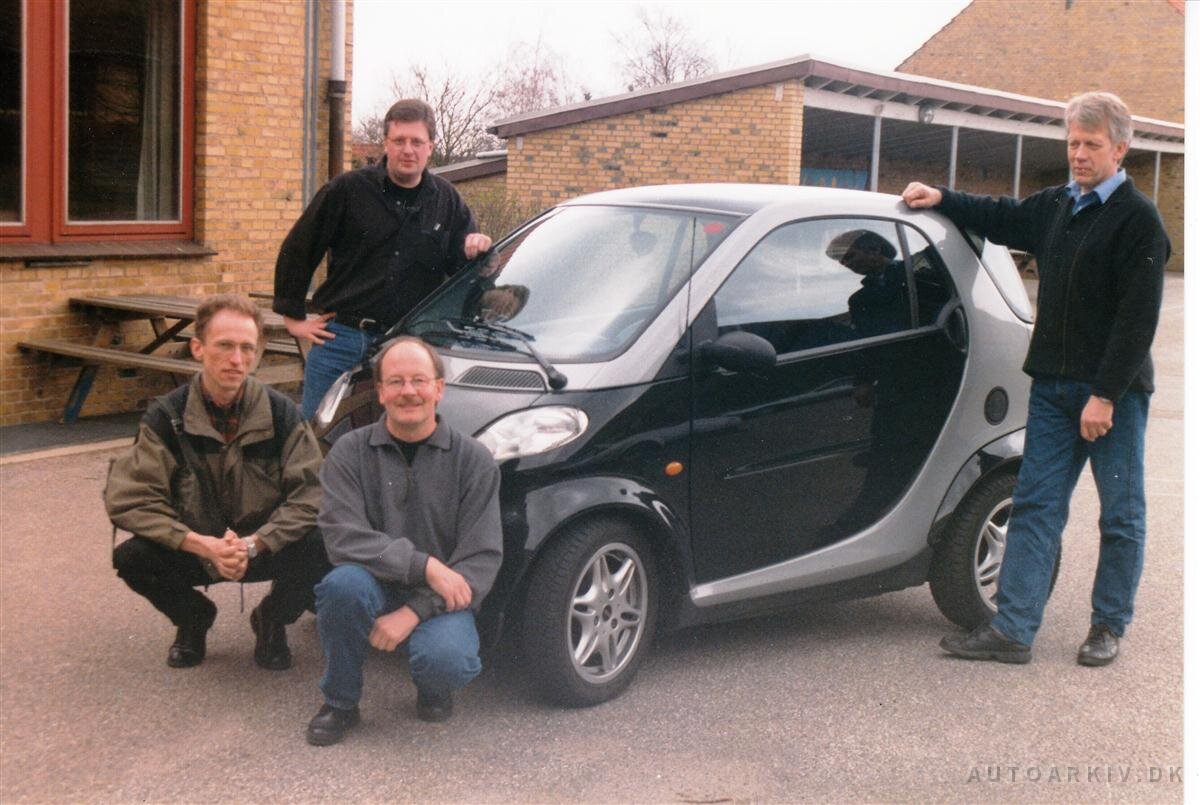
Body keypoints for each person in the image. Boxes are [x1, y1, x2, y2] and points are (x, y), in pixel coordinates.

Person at [902, 91, 1169, 666]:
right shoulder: (1057, 205)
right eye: (1073, 142)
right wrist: (942, 197)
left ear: (1120, 149)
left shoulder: (1139, 221)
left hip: (1113, 397)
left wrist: (1104, 396)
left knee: (1120, 515)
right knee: (1035, 506)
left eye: (1091, 144)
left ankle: (1108, 625)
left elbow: (1137, 322)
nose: (1079, 154)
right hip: (1051, 388)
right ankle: (1014, 629)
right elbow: (1001, 215)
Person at [106, 294, 328, 671]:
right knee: (132, 558)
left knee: (328, 544)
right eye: (224, 345)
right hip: (195, 549)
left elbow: (311, 496)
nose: (237, 359)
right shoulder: (166, 418)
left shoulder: (282, 415)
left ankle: (272, 618)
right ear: (198, 348)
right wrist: (202, 545)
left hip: (262, 546)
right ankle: (193, 618)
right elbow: (131, 500)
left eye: (247, 348)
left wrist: (255, 543)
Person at [306, 336, 502, 746]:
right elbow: (343, 535)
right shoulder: (349, 452)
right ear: (380, 392)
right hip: (373, 583)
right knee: (342, 587)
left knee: (446, 660)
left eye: (419, 380)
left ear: (439, 388)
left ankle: (434, 687)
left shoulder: (474, 460)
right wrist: (424, 565)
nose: (408, 391)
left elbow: (480, 559)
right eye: (395, 382)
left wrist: (414, 610)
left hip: (440, 598)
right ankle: (340, 701)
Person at [273, 98, 493, 419]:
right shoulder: (347, 190)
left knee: (404, 435)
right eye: (399, 140)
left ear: (430, 147)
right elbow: (299, 247)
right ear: (385, 144)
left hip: (410, 347)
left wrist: (476, 252)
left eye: (416, 142)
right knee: (315, 433)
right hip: (342, 341)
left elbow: (462, 274)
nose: (408, 150)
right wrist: (292, 318)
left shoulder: (447, 201)